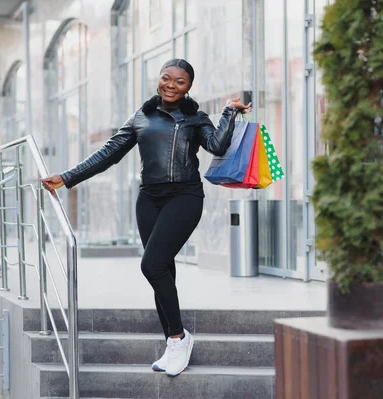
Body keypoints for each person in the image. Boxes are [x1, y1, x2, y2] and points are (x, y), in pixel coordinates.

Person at [41, 58, 252, 377]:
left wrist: (228, 112)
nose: (171, 84)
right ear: (159, 79)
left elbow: (216, 145)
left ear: (188, 87)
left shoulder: (196, 117)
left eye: (179, 81)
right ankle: (172, 342)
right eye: (167, 78)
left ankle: (179, 338)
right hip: (149, 199)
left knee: (150, 264)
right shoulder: (142, 116)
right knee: (162, 269)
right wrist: (68, 177)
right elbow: (108, 153)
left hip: (185, 197)